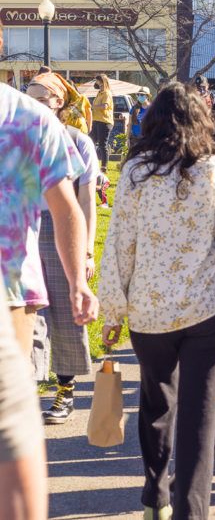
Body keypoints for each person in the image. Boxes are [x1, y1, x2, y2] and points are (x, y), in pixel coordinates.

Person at [99, 82, 215, 519]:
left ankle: (154, 494)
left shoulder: (137, 170)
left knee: (156, 403)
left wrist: (111, 310)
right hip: (207, 304)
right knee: (200, 415)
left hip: (149, 309)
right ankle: (191, 510)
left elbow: (121, 241)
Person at [0, 81, 98, 520]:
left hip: (12, 295)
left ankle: (64, 388)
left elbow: (71, 208)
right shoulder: (28, 118)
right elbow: (66, 209)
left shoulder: (35, 121)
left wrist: (79, 276)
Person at [24, 76, 100, 425]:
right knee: (28, 312)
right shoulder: (17, 138)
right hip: (23, 226)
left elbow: (86, 202)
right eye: (29, 98)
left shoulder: (77, 141)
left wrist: (86, 251)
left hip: (61, 226)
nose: (33, 105)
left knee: (68, 311)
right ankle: (29, 386)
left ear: (58, 102)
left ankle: (65, 388)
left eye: (40, 98)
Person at [90, 74, 114, 173]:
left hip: (104, 122)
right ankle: (91, 163)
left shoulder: (107, 93)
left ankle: (104, 167)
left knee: (102, 145)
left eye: (98, 81)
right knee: (91, 142)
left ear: (102, 81)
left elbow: (104, 106)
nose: (96, 83)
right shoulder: (99, 93)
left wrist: (93, 107)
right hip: (96, 120)